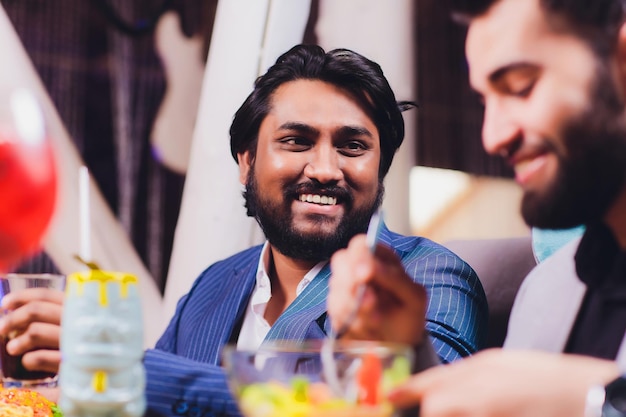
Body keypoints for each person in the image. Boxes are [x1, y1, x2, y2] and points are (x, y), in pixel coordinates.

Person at [0, 44, 488, 416]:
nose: (324, 168)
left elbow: (400, 405)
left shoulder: (429, 277)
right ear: (247, 162)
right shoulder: (215, 284)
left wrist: (122, 365)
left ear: (379, 170)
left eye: (352, 146)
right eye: (296, 140)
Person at [327, 1, 626, 416]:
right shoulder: (549, 294)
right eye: (486, 102)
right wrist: (409, 356)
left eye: (521, 86)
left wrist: (598, 399)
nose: (492, 137)